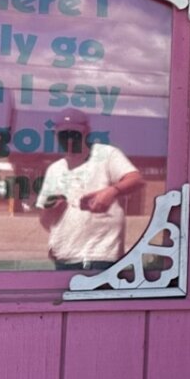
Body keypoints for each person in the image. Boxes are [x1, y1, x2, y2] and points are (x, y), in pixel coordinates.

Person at [35, 109, 143, 271]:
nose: (70, 140)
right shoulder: (55, 169)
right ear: (56, 135)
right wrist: (52, 209)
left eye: (75, 134)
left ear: (86, 132)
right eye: (64, 135)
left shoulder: (106, 154)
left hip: (100, 255)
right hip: (64, 256)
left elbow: (136, 179)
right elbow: (45, 222)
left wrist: (111, 191)